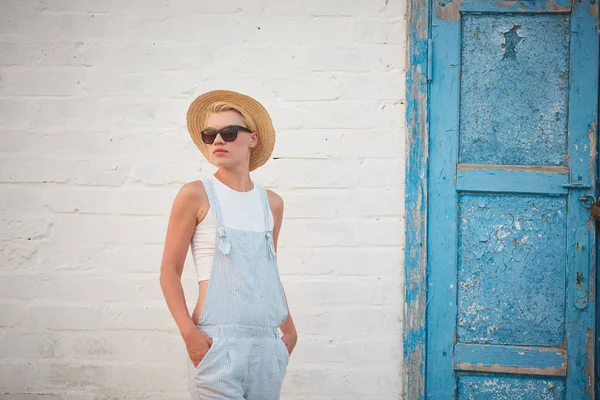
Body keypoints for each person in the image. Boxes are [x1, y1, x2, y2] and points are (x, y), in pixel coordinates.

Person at [159, 90, 297, 399]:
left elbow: (266, 271)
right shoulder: (196, 194)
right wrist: (188, 333)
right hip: (215, 343)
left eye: (229, 132)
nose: (218, 140)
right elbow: (169, 270)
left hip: (266, 344)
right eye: (210, 134)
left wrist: (288, 329)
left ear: (253, 139)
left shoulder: (271, 203)